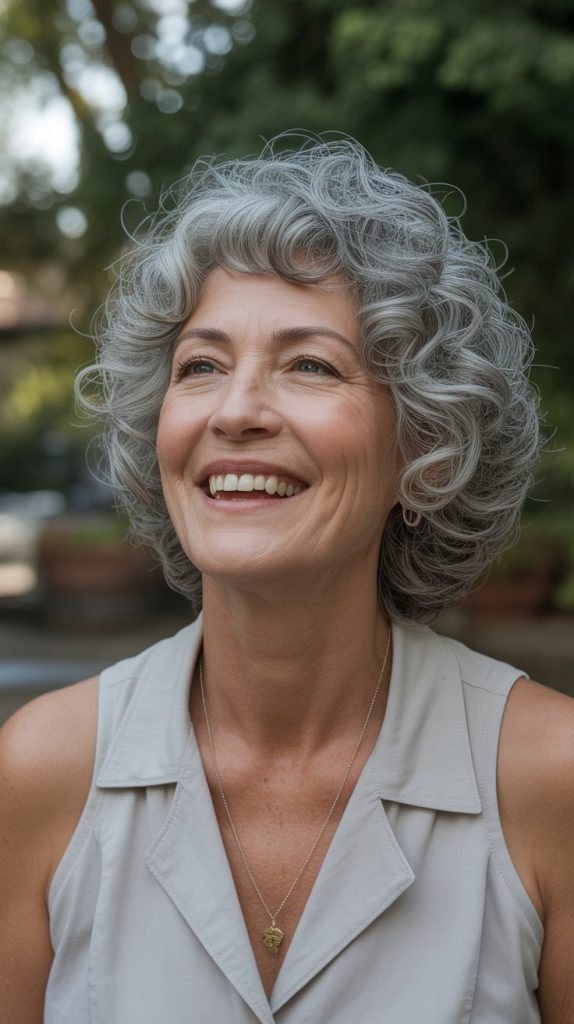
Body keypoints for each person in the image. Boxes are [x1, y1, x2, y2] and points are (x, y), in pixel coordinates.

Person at [1, 137, 573, 1024]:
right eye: (201, 365)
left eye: (310, 364)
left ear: (425, 448)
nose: (235, 412)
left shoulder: (548, 780)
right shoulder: (42, 772)